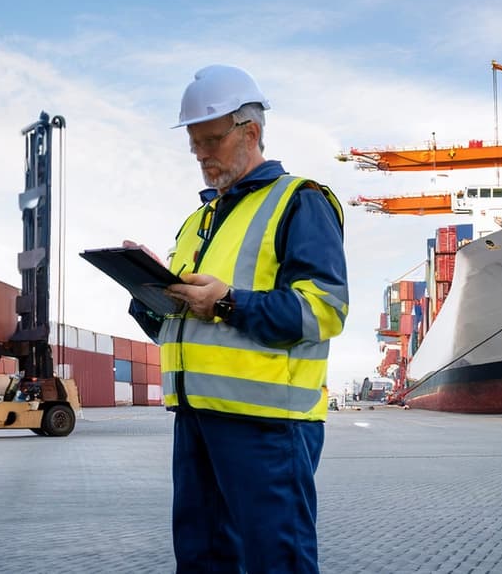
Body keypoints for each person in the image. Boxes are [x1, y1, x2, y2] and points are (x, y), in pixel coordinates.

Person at [127, 65, 348, 573]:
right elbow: (176, 328)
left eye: (210, 141)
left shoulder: (300, 202)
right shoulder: (197, 221)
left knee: (277, 563)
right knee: (203, 561)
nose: (201, 155)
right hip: (197, 420)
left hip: (268, 426)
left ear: (250, 132)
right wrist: (144, 292)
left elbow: (324, 310)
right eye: (193, 144)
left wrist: (227, 302)